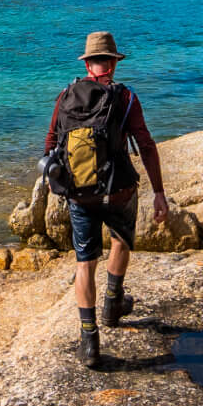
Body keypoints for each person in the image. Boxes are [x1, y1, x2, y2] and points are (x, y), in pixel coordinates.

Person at [43, 31, 170, 367]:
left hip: (80, 196)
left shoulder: (65, 96)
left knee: (85, 263)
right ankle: (113, 305)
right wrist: (158, 192)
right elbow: (145, 145)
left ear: (87, 64)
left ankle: (89, 341)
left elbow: (50, 145)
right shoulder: (125, 98)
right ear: (113, 63)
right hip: (119, 190)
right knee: (120, 239)